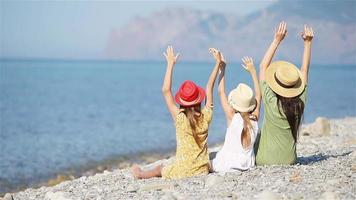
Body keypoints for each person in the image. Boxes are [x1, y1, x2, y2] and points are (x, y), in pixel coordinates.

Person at [131, 46, 223, 179]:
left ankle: (140, 174)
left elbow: (166, 90)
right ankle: (141, 173)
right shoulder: (206, 116)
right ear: (199, 100)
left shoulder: (180, 118)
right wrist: (217, 63)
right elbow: (209, 87)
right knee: (166, 165)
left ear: (182, 101)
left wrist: (170, 64)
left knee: (160, 168)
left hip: (183, 171)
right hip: (202, 169)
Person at [256, 21, 314, 165]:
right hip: (290, 160)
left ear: (276, 84)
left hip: (265, 161)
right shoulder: (300, 102)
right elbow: (304, 70)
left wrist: (276, 40)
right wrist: (308, 43)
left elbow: (263, 66)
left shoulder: (271, 102)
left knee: (256, 136)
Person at [210, 56, 261, 172]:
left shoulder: (231, 116)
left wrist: (222, 69)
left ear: (235, 103)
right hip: (247, 164)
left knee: (206, 162)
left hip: (226, 164)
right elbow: (259, 95)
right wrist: (253, 71)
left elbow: (221, 92)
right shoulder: (255, 118)